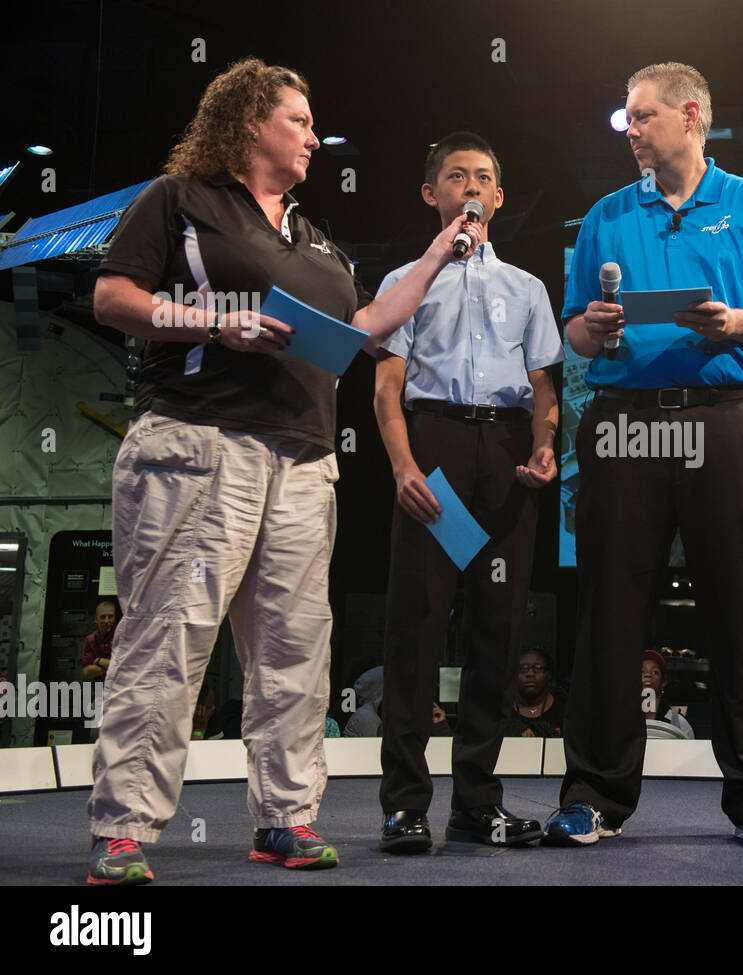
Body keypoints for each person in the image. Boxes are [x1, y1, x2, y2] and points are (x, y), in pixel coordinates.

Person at [85, 58, 483, 885]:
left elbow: (370, 324)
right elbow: (114, 298)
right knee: (168, 640)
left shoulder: (316, 239)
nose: (311, 135)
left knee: (296, 650)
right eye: (298, 121)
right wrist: (216, 322)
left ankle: (285, 818)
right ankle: (123, 829)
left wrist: (441, 252)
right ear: (248, 123)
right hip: (198, 448)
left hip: (302, 464)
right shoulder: (180, 201)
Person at [546, 62, 743, 850]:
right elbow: (572, 334)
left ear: (691, 115)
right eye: (625, 117)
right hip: (624, 422)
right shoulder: (604, 215)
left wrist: (730, 325)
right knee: (608, 614)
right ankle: (593, 796)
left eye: (642, 115)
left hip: (730, 421)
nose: (630, 128)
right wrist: (595, 329)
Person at [374, 132, 562, 853]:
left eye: (484, 176)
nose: (472, 186)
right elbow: (386, 389)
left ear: (500, 196)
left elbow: (546, 387)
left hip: (507, 455)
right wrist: (401, 467)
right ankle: (404, 805)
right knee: (418, 628)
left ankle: (477, 804)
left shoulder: (527, 288)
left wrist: (546, 446)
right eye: (457, 176)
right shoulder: (405, 282)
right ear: (434, 194)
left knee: (498, 631)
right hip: (438, 450)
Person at [502, 650, 565, 738]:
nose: (530, 674)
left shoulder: (563, 707)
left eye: (538, 668)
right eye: (524, 668)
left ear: (548, 674)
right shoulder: (502, 709)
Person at [641, 649, 694, 738]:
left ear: (663, 683)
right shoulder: (623, 718)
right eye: (641, 671)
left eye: (655, 672)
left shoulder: (678, 722)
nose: (648, 675)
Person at [81, 601, 118, 681]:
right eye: (103, 617)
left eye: (110, 616)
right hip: (99, 688)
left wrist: (97, 660)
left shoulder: (122, 638)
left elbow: (123, 667)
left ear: (115, 618)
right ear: (96, 619)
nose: (107, 621)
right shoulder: (90, 640)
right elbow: (87, 672)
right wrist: (110, 666)